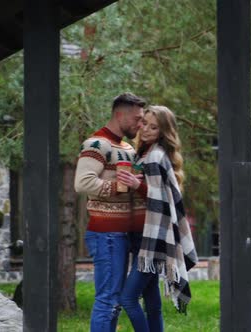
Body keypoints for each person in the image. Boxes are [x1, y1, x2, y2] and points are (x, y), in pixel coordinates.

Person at [118, 105, 198, 331]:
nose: (145, 130)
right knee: (152, 303)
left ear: (163, 132)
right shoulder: (146, 153)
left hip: (150, 239)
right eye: (144, 123)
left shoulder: (154, 156)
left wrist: (138, 185)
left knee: (128, 299)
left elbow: (161, 199)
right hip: (144, 235)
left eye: (154, 127)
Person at [74, 92, 146, 332]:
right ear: (119, 114)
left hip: (123, 235)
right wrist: (118, 186)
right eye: (136, 118)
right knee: (107, 300)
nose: (140, 124)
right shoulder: (96, 144)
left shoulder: (127, 147)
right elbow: (82, 183)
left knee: (114, 302)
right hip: (106, 234)